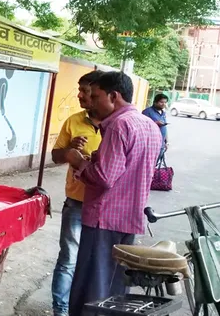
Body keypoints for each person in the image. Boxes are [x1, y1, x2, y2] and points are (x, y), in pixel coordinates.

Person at [64, 71, 162, 316]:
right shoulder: (149, 125)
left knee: (92, 286)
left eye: (96, 96)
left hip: (104, 219)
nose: (92, 102)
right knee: (114, 284)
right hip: (129, 217)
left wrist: (79, 163)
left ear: (114, 96)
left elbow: (105, 177)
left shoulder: (118, 125)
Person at [50, 70, 103, 316]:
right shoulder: (73, 121)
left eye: (85, 91)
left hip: (104, 206)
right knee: (68, 259)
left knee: (96, 263)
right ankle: (61, 310)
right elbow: (56, 156)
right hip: (76, 203)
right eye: (79, 90)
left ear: (100, 94)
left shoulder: (116, 124)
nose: (80, 96)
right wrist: (69, 150)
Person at [142, 93, 169, 160]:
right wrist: (155, 123)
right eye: (161, 102)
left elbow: (164, 128)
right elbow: (142, 126)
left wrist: (167, 142)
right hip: (150, 145)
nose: (163, 104)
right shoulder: (147, 112)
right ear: (155, 102)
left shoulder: (163, 113)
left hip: (161, 144)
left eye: (165, 102)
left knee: (155, 165)